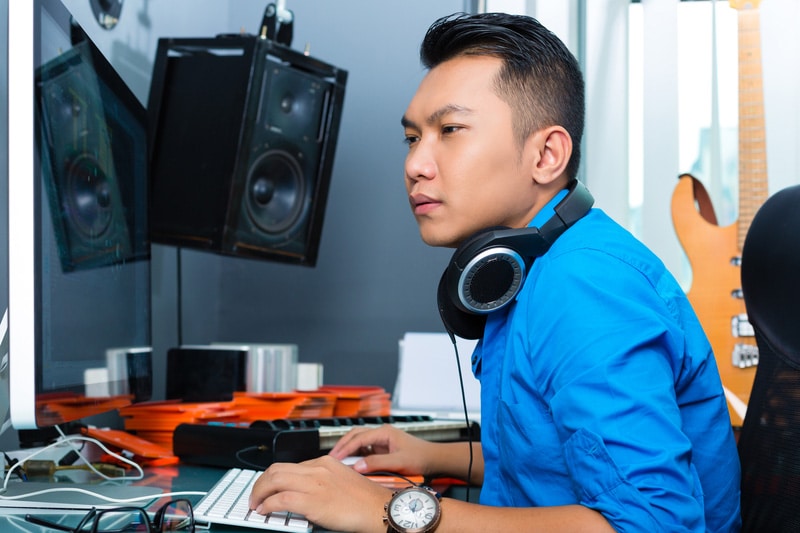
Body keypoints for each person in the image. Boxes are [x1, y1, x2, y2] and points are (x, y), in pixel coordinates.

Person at [249, 12, 742, 532]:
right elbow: (563, 463)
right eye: (413, 138)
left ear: (547, 154)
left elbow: (656, 524)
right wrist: (433, 456)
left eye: (450, 130)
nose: (416, 164)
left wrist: (385, 509)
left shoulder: (584, 286)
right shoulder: (532, 264)